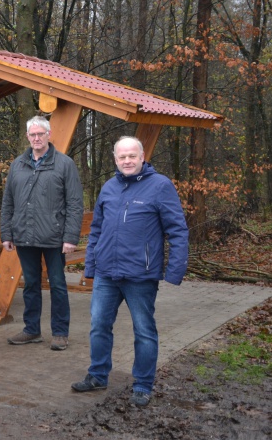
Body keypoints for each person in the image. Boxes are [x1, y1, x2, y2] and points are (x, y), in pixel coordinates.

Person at [71, 136, 189, 407]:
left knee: (144, 331)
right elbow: (97, 230)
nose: (127, 161)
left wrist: (175, 270)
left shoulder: (160, 186)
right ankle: (98, 375)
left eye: (131, 156)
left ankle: (143, 385)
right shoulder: (109, 187)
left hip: (141, 275)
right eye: (122, 157)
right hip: (106, 274)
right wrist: (91, 265)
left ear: (142, 156)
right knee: (99, 325)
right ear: (115, 159)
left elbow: (178, 230)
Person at [1, 115, 84, 351]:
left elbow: (75, 203)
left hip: (54, 238)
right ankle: (31, 330)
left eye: (40, 134)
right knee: (30, 285)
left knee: (58, 285)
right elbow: (8, 201)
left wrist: (70, 237)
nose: (36, 138)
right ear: (28, 137)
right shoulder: (18, 164)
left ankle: (60, 332)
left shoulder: (64, 164)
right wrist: (6, 233)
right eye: (32, 135)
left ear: (48, 135)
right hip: (24, 236)